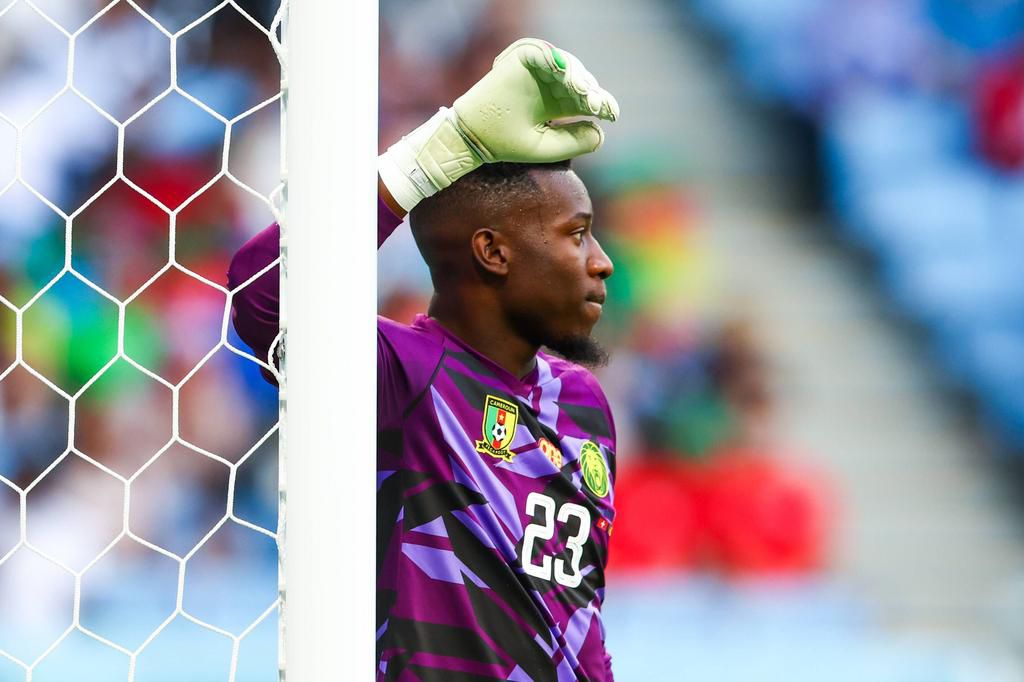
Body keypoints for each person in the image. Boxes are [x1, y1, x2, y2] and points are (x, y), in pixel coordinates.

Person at [228, 38, 620, 681]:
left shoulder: (583, 403)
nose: (601, 260)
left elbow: (580, 618)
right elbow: (260, 295)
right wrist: (433, 156)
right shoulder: (403, 374)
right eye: (576, 235)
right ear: (493, 252)